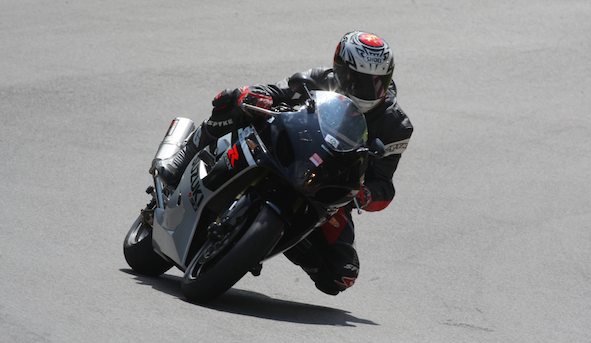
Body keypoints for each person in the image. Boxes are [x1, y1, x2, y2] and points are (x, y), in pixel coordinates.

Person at [154, 31, 413, 295]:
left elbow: (384, 183)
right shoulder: (321, 79)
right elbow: (278, 90)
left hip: (327, 184)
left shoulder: (397, 126)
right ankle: (183, 157)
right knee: (233, 98)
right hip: (289, 149)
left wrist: (367, 194)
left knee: (340, 275)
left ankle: (277, 239)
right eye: (357, 80)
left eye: (376, 83)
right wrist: (258, 95)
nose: (368, 89)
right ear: (340, 69)